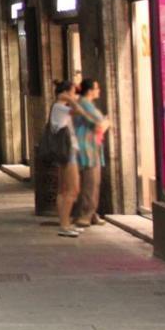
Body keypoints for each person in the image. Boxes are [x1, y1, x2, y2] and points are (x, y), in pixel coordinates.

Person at [73, 78, 110, 228]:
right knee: (91, 183)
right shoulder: (85, 104)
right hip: (88, 149)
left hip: (88, 148)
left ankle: (91, 213)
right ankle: (85, 215)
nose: (99, 91)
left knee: (90, 183)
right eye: (97, 88)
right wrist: (106, 122)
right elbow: (99, 124)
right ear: (90, 90)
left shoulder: (83, 103)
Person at [48, 81, 82, 237]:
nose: (75, 95)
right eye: (73, 92)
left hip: (64, 152)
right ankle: (65, 225)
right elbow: (79, 111)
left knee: (63, 190)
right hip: (68, 152)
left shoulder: (57, 107)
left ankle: (65, 223)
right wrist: (71, 99)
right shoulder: (61, 107)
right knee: (73, 189)